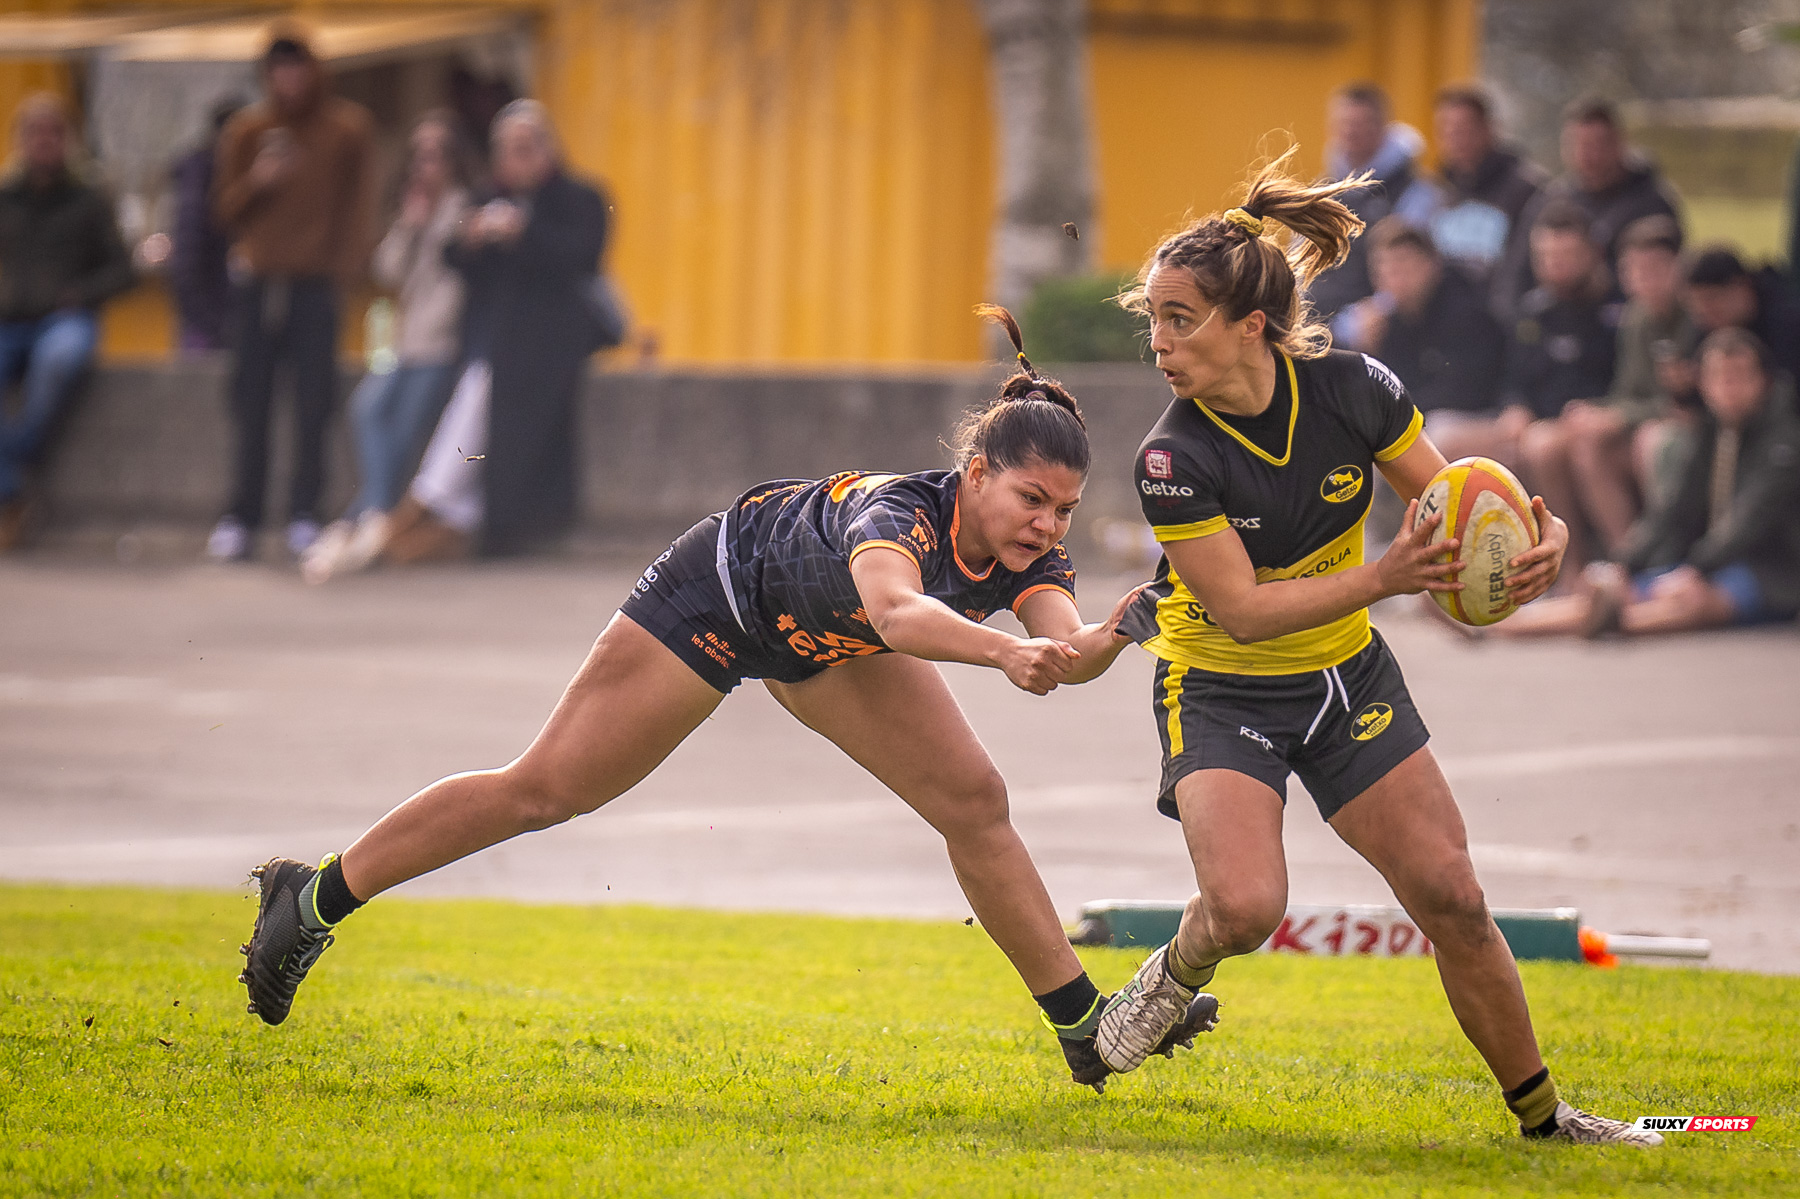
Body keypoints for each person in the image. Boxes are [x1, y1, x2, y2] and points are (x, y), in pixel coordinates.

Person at [237, 310, 1210, 1090]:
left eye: (1063, 510)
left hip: (821, 643)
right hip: (722, 593)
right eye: (1030, 499)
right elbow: (897, 610)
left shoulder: (1031, 550)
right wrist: (1005, 656)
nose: (1045, 526)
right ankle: (311, 896)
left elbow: (1062, 648)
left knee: (973, 800)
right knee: (546, 789)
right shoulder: (897, 514)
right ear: (976, 475)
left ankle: (1084, 1028)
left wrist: (1120, 627)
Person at [1092, 149, 1659, 1145]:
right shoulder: (1172, 456)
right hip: (1220, 686)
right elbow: (1244, 611)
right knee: (1246, 905)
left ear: (1251, 325)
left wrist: (1536, 543)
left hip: (1345, 678)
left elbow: (1456, 507)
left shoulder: (1354, 389)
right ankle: (1174, 973)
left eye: (1179, 319)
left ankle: (1546, 1116)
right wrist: (1390, 577)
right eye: (1156, 320)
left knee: (1454, 894)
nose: (1160, 343)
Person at [379, 100, 607, 562]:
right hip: (491, 344)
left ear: (547, 150)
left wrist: (525, 232)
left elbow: (583, 256)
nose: (515, 161)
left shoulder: (578, 198)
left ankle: (426, 510)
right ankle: (424, 516)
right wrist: (476, 235)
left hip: (547, 348)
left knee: (485, 434)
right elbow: (451, 253)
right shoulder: (483, 198)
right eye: (506, 150)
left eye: (525, 149)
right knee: (467, 432)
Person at [1496, 328, 1800, 639]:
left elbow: (1748, 521)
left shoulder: (1784, 441)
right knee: (1624, 588)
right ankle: (1503, 626)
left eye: (1738, 376)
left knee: (1690, 600)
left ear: (1762, 380)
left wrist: (1695, 570)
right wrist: (1622, 565)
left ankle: (1613, 624)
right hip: (1709, 562)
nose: (1728, 387)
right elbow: (1672, 513)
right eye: (1718, 377)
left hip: (1771, 572)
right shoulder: (1709, 432)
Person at [207, 29, 375, 562]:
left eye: (299, 68)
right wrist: (259, 180)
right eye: (280, 70)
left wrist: (340, 275)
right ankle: (242, 517)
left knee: (313, 404)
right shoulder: (247, 131)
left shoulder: (345, 130)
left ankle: (304, 512)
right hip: (259, 285)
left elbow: (360, 208)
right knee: (250, 403)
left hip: (314, 287)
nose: (290, 80)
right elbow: (223, 213)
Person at [301, 113, 472, 583]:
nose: (425, 166)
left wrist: (434, 223)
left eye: (435, 155)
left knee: (402, 433)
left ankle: (363, 521)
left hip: (440, 344)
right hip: (405, 343)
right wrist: (410, 224)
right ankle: (374, 515)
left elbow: (457, 284)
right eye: (419, 155)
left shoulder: (463, 209)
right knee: (367, 412)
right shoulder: (415, 211)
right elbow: (388, 272)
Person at [1510, 216, 1694, 570]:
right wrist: (1597, 412)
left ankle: (1648, 562)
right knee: (1569, 441)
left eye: (1655, 268)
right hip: (1641, 419)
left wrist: (1617, 415)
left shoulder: (1688, 316)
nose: (1644, 278)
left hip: (1673, 427)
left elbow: (1682, 404)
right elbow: (1627, 390)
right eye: (1635, 269)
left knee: (1649, 442)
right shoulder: (1637, 318)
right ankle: (1597, 564)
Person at [0, 93, 135, 551]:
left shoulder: (88, 200)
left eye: (53, 135)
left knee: (60, 360)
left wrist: (81, 294)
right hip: (9, 319)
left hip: (65, 318)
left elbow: (124, 270)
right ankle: (12, 488)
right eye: (34, 135)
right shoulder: (6, 196)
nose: (44, 144)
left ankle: (14, 462)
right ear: (20, 141)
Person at [1495, 97, 1680, 322]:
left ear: (1620, 144)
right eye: (1578, 145)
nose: (1587, 156)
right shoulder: (1549, 200)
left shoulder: (1651, 204)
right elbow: (1515, 273)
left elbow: (1666, 282)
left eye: (1597, 145)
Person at [1305, 82, 1442, 327]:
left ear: (1382, 126)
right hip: (1316, 320)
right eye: (1344, 123)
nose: (1351, 131)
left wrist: (1357, 322)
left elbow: (1407, 271)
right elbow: (1300, 263)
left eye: (1360, 123)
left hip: (1381, 327)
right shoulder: (1320, 189)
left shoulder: (1414, 191)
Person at [1340, 218, 1506, 418]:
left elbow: (1465, 391)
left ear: (1431, 265)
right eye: (1386, 272)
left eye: (1404, 269)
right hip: (1414, 415)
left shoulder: (1465, 311)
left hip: (1478, 417)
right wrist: (1366, 351)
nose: (1396, 281)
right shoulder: (1385, 321)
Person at [1428, 85, 1546, 314]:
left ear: (1488, 129)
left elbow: (1523, 271)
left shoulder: (1526, 189)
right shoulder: (1438, 192)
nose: (1455, 139)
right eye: (1446, 131)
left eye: (1463, 129)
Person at [168, 96, 243, 354]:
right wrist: (208, 321)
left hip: (225, 316)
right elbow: (188, 257)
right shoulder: (200, 179)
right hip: (208, 319)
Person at [1681, 246, 1800, 386]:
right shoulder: (1707, 328)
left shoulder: (1788, 324)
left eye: (1712, 299)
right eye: (1696, 307)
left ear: (1742, 287)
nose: (1705, 313)